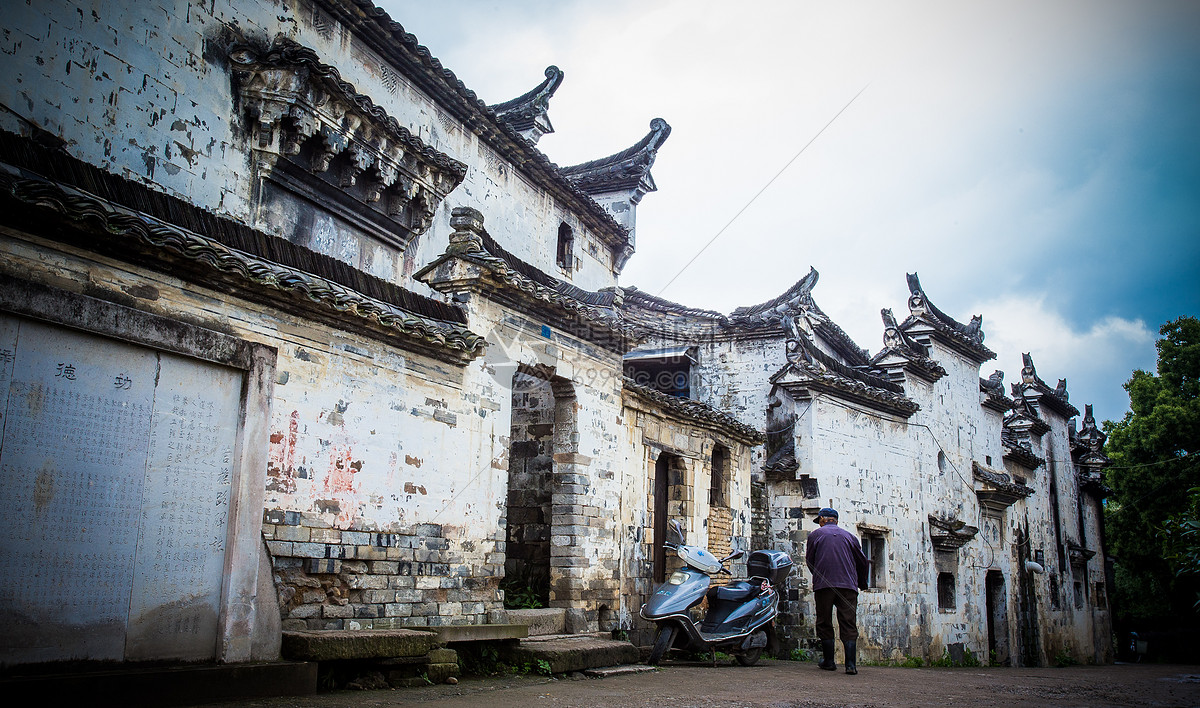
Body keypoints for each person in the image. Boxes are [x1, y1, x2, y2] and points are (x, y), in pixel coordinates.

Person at [804, 507, 869, 674]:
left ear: (823, 520)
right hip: (848, 586)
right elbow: (862, 562)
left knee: (824, 621)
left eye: (819, 521)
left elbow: (810, 561)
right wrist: (861, 583)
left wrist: (820, 576)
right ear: (836, 521)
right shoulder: (850, 537)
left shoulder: (815, 536)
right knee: (848, 622)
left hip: (824, 585)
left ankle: (829, 661)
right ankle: (851, 665)